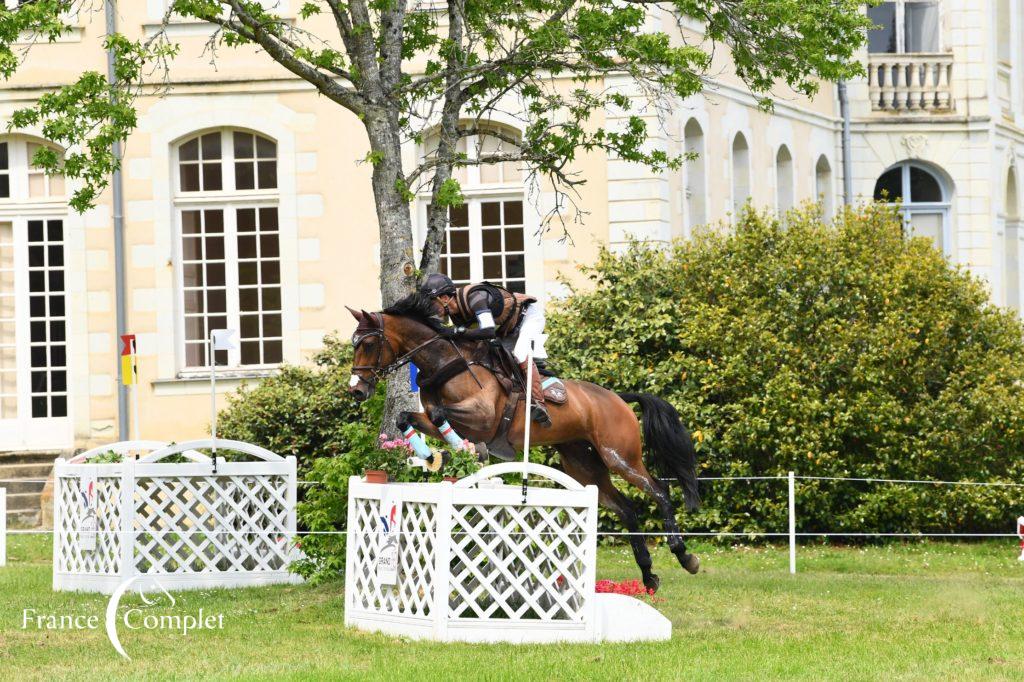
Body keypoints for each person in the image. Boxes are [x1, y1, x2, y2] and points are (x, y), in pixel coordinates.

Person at [421, 273, 562, 427]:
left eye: (431, 302)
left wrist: (456, 332)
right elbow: (477, 339)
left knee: (520, 353)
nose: (430, 309)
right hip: (507, 330)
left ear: (444, 298)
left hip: (528, 318)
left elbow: (488, 331)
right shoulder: (457, 316)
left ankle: (539, 403)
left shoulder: (475, 298)